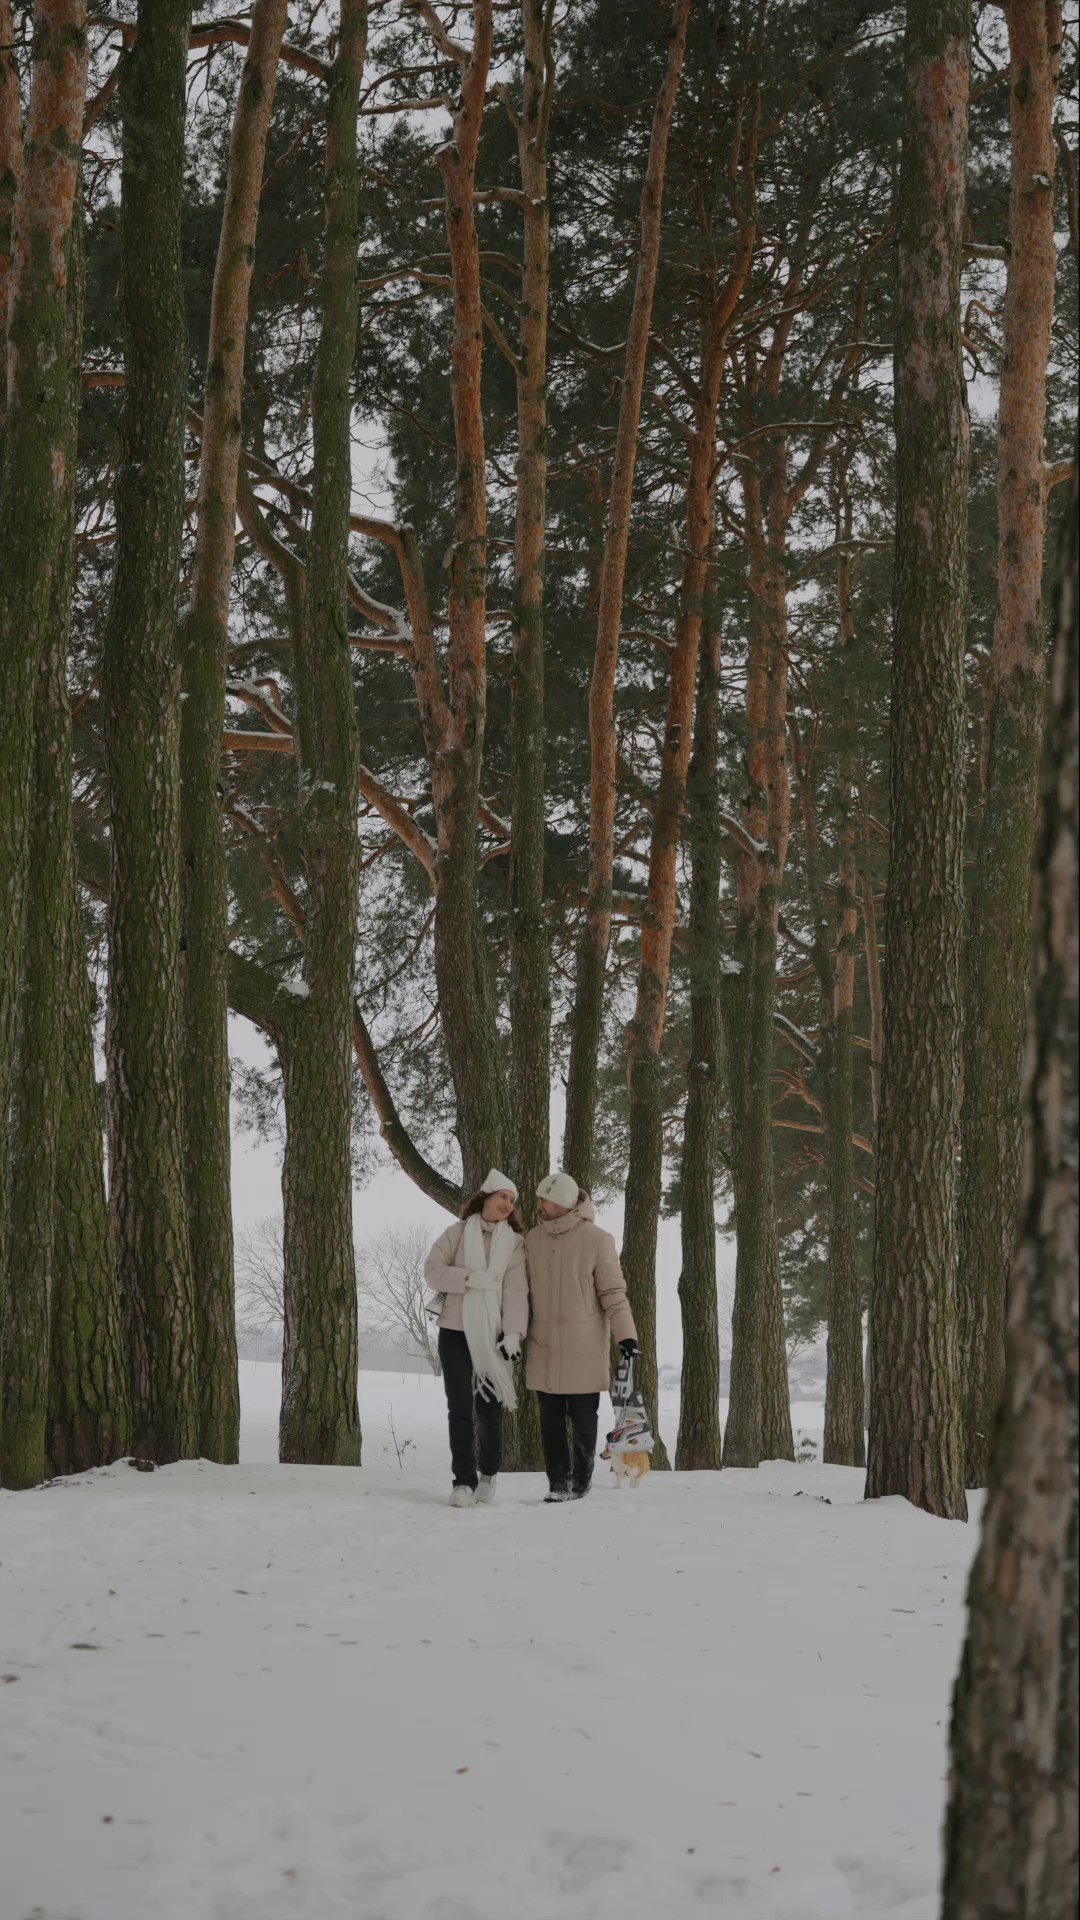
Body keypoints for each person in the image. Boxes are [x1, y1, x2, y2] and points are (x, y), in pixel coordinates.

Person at [524, 1172, 638, 1502]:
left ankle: (582, 1478)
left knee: (584, 1420)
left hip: (584, 1346)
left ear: (562, 1202)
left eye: (545, 1199)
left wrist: (626, 1337)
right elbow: (519, 1292)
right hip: (543, 1344)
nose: (540, 1204)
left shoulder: (597, 1240)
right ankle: (558, 1482)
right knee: (550, 1422)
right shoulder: (532, 1239)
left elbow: (614, 1293)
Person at [424, 1169, 528, 1508]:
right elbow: (433, 1271)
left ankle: (488, 1473)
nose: (508, 1205)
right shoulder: (456, 1233)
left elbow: (516, 1292)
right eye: (503, 1197)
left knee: (489, 1408)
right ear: (486, 1196)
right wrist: (469, 1278)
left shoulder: (514, 1244)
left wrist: (513, 1333)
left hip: (493, 1334)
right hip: (455, 1330)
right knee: (459, 1409)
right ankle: (463, 1482)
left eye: (512, 1201)